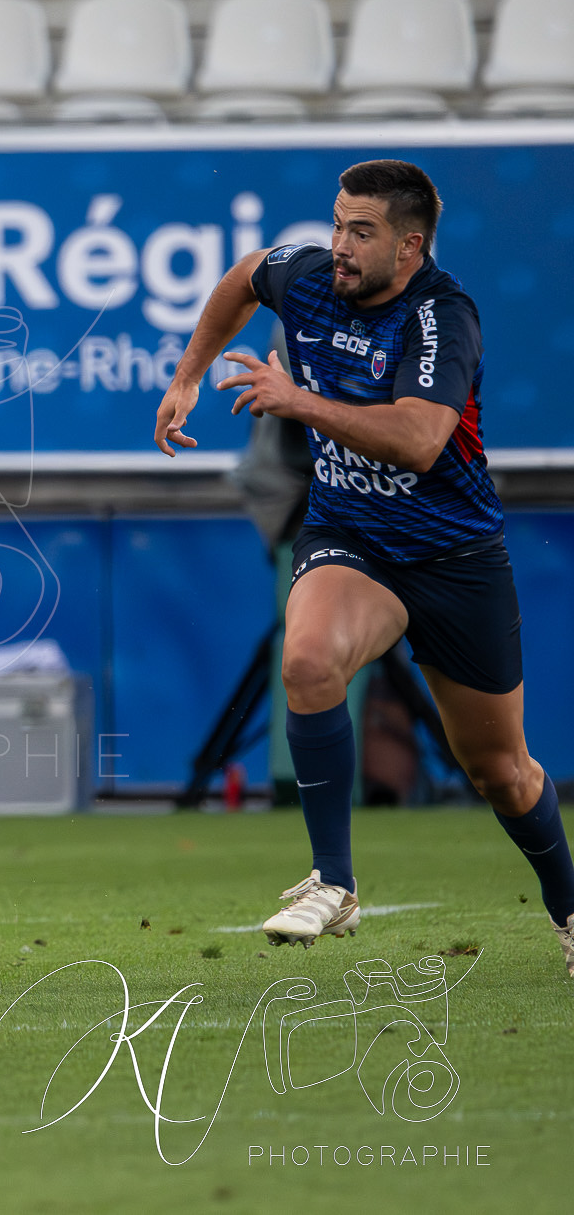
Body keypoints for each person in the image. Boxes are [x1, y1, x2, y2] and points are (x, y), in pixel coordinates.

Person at [154, 159, 574, 975]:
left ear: (411, 245)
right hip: (353, 535)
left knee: (501, 771)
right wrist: (189, 374)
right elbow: (244, 277)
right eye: (338, 223)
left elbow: (419, 440)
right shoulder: (309, 277)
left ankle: (569, 904)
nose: (339, 245)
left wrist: (298, 401)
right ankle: (335, 880)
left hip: (454, 557)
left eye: (362, 232)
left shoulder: (442, 316)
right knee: (308, 661)